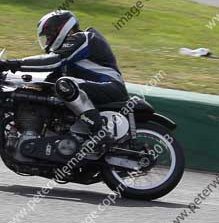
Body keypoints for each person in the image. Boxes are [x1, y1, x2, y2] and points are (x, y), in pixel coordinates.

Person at [0, 11, 128, 148]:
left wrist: (12, 64)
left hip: (110, 87)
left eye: (49, 36)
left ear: (61, 29)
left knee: (64, 84)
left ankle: (100, 132)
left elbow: (51, 61)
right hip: (89, 90)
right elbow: (48, 82)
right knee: (49, 89)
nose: (48, 41)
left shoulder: (83, 38)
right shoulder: (67, 58)